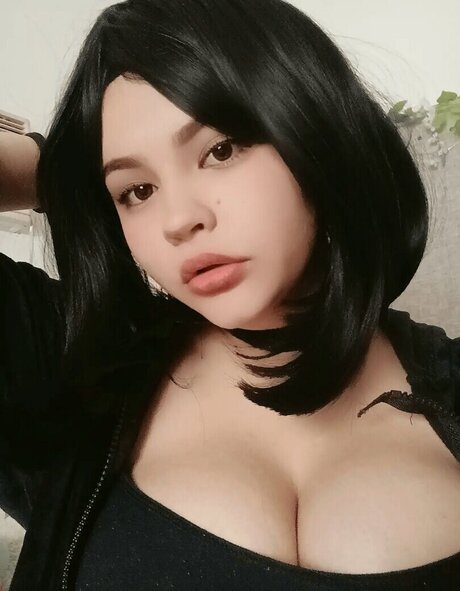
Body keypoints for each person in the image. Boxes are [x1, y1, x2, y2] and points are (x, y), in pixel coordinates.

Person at [1, 0, 459, 589]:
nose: (178, 220)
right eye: (137, 190)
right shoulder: (71, 363)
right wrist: (61, 173)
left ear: (315, 132)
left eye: (219, 151)